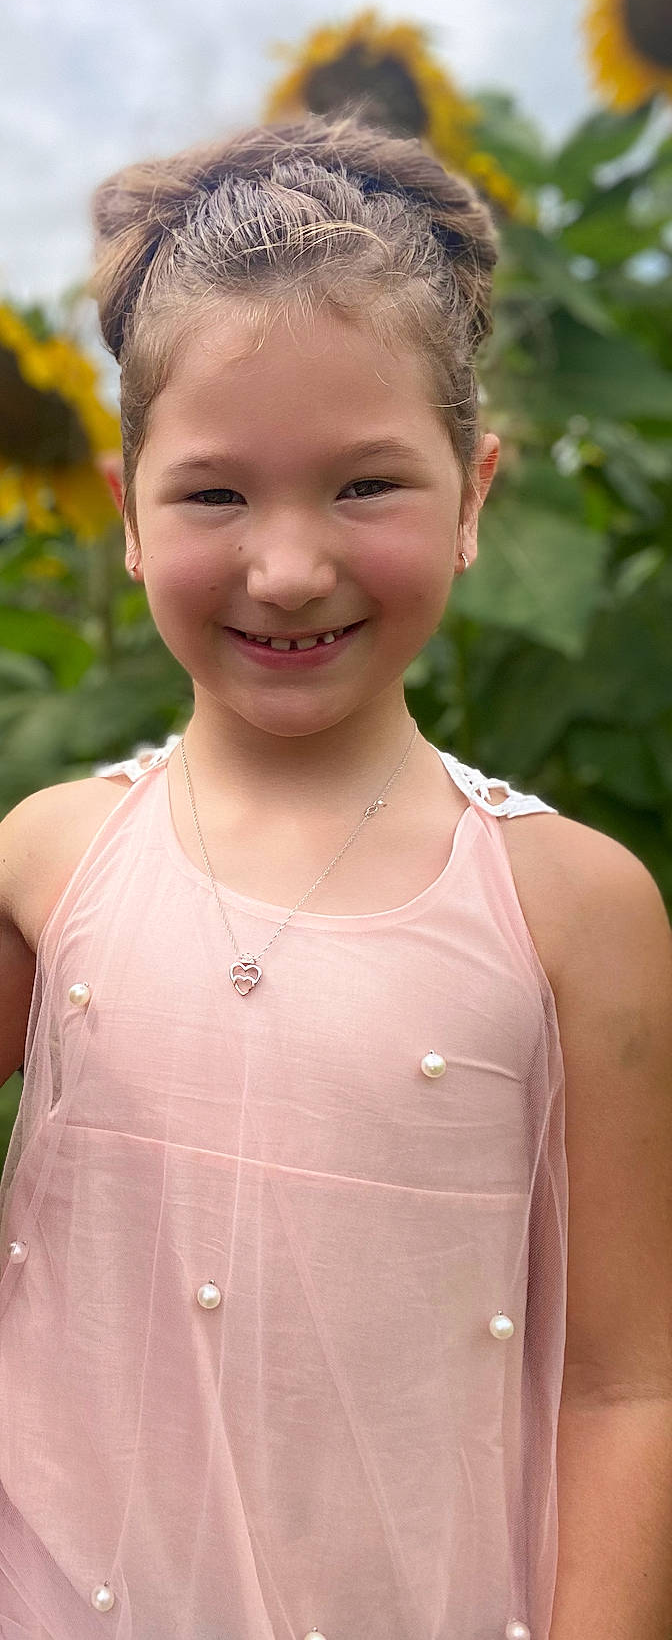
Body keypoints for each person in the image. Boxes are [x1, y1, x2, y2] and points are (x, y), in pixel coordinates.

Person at [0, 111, 670, 1640]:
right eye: (214, 495)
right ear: (123, 509)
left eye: (366, 486)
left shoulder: (577, 911)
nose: (289, 568)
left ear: (477, 493)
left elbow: (626, 1383)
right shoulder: (45, 859)